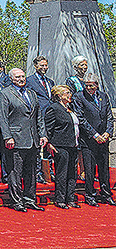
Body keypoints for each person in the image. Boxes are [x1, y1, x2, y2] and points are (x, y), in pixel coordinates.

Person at [0, 67, 47, 212]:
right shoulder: (5, 94)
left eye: (23, 76)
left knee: (31, 172)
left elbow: (38, 115)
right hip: (16, 140)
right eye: (17, 77)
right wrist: (7, 136)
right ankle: (17, 201)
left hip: (32, 139)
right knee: (15, 172)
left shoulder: (31, 93)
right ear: (11, 79)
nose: (21, 79)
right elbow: (2, 117)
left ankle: (30, 199)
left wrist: (42, 134)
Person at [74, 74, 116, 207]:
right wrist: (95, 135)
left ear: (97, 85)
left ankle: (106, 194)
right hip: (89, 140)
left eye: (91, 85)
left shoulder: (103, 96)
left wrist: (108, 132)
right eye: (86, 85)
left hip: (104, 139)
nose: (88, 88)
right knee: (90, 169)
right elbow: (81, 119)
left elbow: (109, 116)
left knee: (104, 169)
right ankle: (90, 195)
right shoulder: (79, 97)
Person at [45, 85, 80, 209]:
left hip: (73, 144)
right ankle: (60, 199)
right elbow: (48, 127)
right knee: (62, 173)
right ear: (59, 95)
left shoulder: (70, 108)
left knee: (72, 173)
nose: (69, 95)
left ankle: (70, 198)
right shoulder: (54, 108)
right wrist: (49, 143)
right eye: (66, 93)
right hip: (60, 145)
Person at [26, 55, 54, 183]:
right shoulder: (29, 81)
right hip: (37, 117)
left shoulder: (50, 82)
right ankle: (37, 173)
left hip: (50, 117)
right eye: (41, 65)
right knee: (37, 147)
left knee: (49, 146)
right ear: (35, 66)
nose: (44, 67)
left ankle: (49, 171)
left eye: (46, 65)